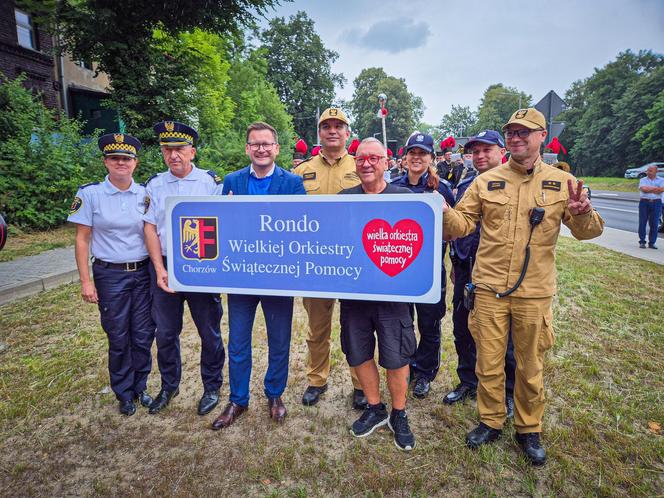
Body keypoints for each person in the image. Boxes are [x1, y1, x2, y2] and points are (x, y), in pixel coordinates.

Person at [442, 108, 604, 465]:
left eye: (524, 132)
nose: (516, 138)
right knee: (488, 361)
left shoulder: (563, 183)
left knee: (530, 365)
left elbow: (588, 232)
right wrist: (440, 211)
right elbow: (462, 224)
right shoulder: (485, 181)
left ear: (541, 135)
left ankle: (528, 428)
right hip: (488, 290)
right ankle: (490, 420)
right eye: (511, 132)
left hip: (533, 292)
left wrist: (581, 212)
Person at [211, 122, 306, 430]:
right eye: (255, 144)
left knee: (279, 340)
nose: (261, 149)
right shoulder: (231, 181)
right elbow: (221, 225)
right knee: (238, 341)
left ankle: (275, 394)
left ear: (277, 148)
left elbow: (304, 225)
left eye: (267, 144)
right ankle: (238, 399)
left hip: (278, 276)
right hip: (241, 277)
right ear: (247, 149)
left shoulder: (292, 183)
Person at [68, 133, 154, 416]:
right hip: (110, 275)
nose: (121, 163)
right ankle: (124, 392)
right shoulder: (91, 194)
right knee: (118, 336)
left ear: (135, 163)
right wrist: (85, 281)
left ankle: (141, 387)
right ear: (106, 161)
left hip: (142, 273)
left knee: (142, 335)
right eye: (115, 158)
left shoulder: (145, 194)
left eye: (126, 159)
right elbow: (82, 239)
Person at [339, 137, 417, 451]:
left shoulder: (405, 197)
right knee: (358, 353)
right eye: (361, 158)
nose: (367, 164)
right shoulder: (343, 198)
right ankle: (375, 407)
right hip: (355, 295)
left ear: (386, 161)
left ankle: (399, 413)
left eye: (374, 158)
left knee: (396, 356)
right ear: (355, 163)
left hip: (393, 294)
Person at [143, 121, 225, 415]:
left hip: (201, 264)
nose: (173, 155)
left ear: (192, 151)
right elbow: (150, 228)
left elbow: (222, 226)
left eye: (179, 149)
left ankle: (212, 386)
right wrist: (158, 267)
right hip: (165, 266)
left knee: (209, 331)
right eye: (167, 150)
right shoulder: (154, 185)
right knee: (165, 332)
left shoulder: (211, 183)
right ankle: (169, 385)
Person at [293, 108, 366, 409]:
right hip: (316, 263)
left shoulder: (363, 165)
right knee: (318, 328)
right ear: (319, 133)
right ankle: (316, 380)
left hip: (354, 261)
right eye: (327, 126)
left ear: (348, 132)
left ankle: (361, 384)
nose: (333, 131)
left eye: (339, 126)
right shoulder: (302, 171)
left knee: (357, 328)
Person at [445, 130, 516, 419]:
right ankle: (468, 381)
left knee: (504, 338)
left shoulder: (513, 184)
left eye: (487, 149)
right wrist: (455, 263)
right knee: (462, 327)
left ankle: (508, 393)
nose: (480, 155)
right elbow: (459, 227)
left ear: (502, 151)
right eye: (475, 151)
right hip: (465, 267)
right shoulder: (465, 182)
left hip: (496, 272)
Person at [391, 133, 454, 398]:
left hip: (429, 269)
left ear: (432, 158)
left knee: (429, 323)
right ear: (405, 157)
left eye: (423, 153)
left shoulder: (442, 189)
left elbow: (454, 228)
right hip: (401, 269)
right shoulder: (392, 187)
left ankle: (425, 373)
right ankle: (407, 366)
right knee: (403, 322)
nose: (417, 158)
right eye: (412, 153)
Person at [638, 164, 664, 249]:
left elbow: (661, 190)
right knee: (642, 222)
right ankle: (642, 241)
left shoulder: (662, 180)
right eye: (647, 170)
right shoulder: (643, 179)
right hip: (644, 203)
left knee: (654, 223)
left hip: (657, 203)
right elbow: (644, 190)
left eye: (650, 171)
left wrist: (650, 189)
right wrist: (656, 189)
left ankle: (652, 243)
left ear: (656, 172)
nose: (648, 172)